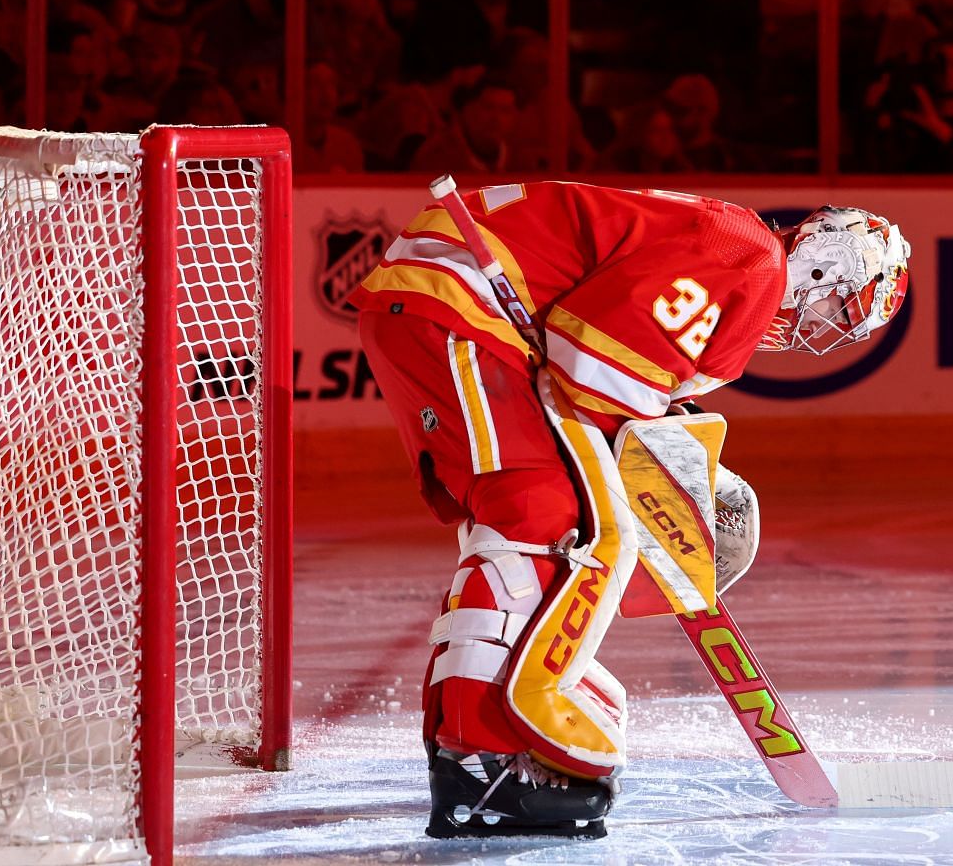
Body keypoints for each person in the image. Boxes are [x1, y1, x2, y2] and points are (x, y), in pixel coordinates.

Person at [352, 191, 909, 837]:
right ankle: (485, 754)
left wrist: (685, 471)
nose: (820, 324)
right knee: (548, 522)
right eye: (838, 303)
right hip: (461, 305)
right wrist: (664, 482)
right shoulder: (751, 260)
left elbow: (608, 374)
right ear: (822, 263)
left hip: (445, 304)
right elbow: (591, 366)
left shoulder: (738, 256)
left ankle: (473, 750)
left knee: (532, 520)